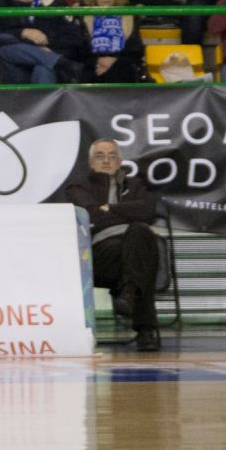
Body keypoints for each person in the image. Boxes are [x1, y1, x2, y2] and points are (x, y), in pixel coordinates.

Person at [65, 139, 161, 351]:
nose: (106, 160)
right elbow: (92, 216)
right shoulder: (79, 186)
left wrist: (109, 208)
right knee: (141, 250)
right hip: (99, 256)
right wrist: (123, 211)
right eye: (100, 156)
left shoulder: (135, 184)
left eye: (111, 155)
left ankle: (128, 293)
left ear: (120, 161)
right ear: (91, 162)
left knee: (139, 232)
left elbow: (147, 211)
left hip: (133, 248)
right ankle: (145, 329)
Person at [80, 0, 147, 83]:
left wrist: (112, 59)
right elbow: (79, 52)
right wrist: (98, 60)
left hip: (123, 65)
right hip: (92, 66)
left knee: (120, 71)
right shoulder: (82, 16)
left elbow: (136, 51)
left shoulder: (129, 15)